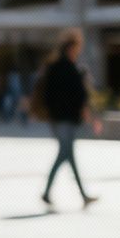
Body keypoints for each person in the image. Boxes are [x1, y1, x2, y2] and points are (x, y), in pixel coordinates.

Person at [36, 29, 100, 211]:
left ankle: (75, 195)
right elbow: (78, 96)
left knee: (68, 155)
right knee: (65, 153)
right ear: (71, 47)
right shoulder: (68, 69)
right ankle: (53, 193)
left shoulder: (57, 67)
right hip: (64, 119)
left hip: (59, 118)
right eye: (77, 47)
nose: (78, 51)